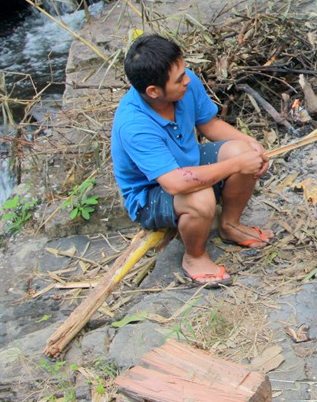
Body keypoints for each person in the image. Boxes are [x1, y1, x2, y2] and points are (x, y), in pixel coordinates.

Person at [111, 34, 272, 287]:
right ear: (153, 91)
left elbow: (209, 124)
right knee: (200, 197)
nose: (188, 80)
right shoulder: (134, 125)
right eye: (179, 79)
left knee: (242, 151)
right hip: (152, 192)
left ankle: (230, 225)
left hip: (188, 166)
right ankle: (194, 256)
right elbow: (174, 184)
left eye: (184, 72)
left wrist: (252, 147)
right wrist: (236, 166)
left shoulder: (185, 84)